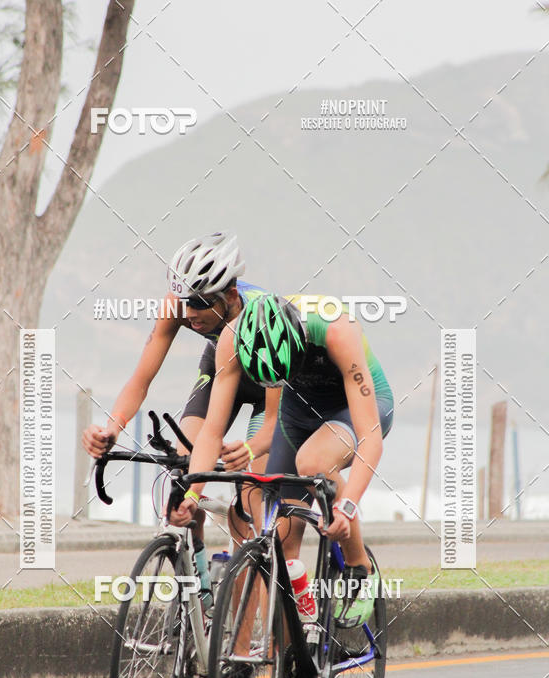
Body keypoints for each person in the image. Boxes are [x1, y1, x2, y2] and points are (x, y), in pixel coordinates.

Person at [171, 293, 393, 622]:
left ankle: (360, 568)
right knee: (281, 542)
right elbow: (211, 432)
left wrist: (347, 507)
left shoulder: (336, 331)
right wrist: (193, 493)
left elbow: (371, 438)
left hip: (353, 407)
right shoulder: (233, 338)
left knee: (314, 462)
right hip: (298, 410)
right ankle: (295, 660)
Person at [82, 233, 280, 594]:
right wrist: (113, 427)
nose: (189, 314)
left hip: (270, 376)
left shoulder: (261, 316)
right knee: (182, 463)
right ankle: (199, 579)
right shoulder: (179, 306)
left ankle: (244, 611)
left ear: (231, 296)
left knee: (252, 491)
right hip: (222, 369)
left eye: (201, 303)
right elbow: (141, 379)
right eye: (185, 301)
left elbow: (270, 422)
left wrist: (252, 450)